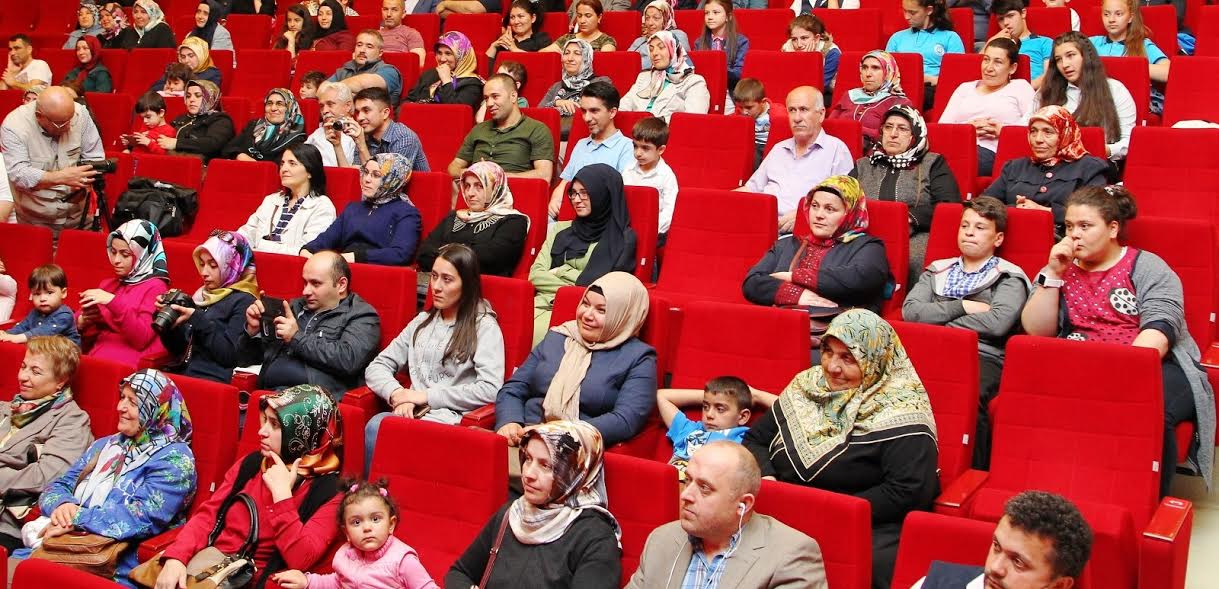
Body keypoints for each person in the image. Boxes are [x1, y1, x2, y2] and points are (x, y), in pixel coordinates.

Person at [1020, 186, 1214, 496]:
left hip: (1152, 364)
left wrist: (1114, 376)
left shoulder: (1148, 266)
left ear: (1112, 229)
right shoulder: (1060, 268)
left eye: (1085, 226)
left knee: (1150, 410)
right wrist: (1053, 273)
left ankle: (1145, 499)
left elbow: (1160, 330)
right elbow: (1037, 330)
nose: (1074, 235)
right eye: (1069, 226)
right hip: (1079, 361)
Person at [744, 310, 937, 589]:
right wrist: (768, 478)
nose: (832, 367)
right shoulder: (807, 386)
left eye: (848, 358)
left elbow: (906, 491)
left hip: (863, 525)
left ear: (875, 360)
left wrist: (830, 513)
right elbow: (756, 440)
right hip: (781, 512)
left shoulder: (904, 410)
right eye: (828, 352)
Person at [151, 385, 344, 589]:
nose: (262, 431)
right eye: (265, 420)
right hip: (209, 570)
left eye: (275, 425)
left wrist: (282, 498)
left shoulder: (331, 492)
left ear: (304, 433)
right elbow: (208, 516)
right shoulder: (252, 464)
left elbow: (301, 558)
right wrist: (177, 557)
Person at [30, 369, 196, 586]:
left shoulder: (175, 460)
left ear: (157, 410)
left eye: (133, 402)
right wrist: (63, 506)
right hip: (65, 545)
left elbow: (143, 518)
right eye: (122, 398)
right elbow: (57, 486)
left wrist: (77, 518)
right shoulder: (106, 445)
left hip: (116, 563)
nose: (120, 407)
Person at [901, 196, 1029, 470]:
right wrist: (963, 306)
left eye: (980, 227)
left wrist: (937, 321)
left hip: (982, 355)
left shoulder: (1009, 276)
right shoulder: (938, 269)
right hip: (930, 349)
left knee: (970, 396)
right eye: (965, 225)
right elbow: (911, 312)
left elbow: (997, 322)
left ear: (998, 238)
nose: (969, 232)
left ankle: (972, 471)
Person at [363, 244, 506, 457]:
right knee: (378, 426)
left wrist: (425, 396)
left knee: (380, 427)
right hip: (410, 413)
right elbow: (377, 366)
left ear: (467, 284)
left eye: (447, 279)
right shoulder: (421, 322)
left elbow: (490, 388)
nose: (436, 287)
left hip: (450, 421)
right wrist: (398, 394)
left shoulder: (484, 327)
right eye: (434, 276)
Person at [625, 441, 828, 588]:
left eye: (704, 488)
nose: (685, 495)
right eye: (687, 480)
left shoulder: (790, 555)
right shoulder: (662, 540)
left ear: (743, 504)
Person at [448, 420, 623, 588]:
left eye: (546, 465)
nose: (529, 474)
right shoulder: (512, 513)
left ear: (575, 473)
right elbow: (459, 573)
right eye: (528, 458)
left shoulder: (595, 538)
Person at [499, 272, 655, 445]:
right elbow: (514, 388)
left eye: (601, 310)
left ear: (623, 317)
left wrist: (556, 433)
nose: (587, 315)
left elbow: (626, 420)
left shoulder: (638, 357)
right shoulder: (558, 336)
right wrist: (510, 421)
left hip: (577, 446)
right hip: (524, 435)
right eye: (585, 304)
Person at [235, 252, 381, 397]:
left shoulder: (362, 315)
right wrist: (252, 332)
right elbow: (246, 360)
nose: (306, 291)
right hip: (270, 392)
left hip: (315, 400)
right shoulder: (296, 307)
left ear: (341, 285)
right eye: (305, 283)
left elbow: (348, 360)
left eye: (315, 284)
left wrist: (296, 337)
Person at [742, 175, 891, 314]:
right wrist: (796, 295)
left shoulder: (868, 246)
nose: (819, 215)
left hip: (836, 326)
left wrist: (795, 276)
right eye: (814, 206)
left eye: (829, 209)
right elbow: (752, 282)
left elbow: (863, 277)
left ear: (850, 213)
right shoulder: (786, 244)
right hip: (784, 320)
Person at [0, 336, 92, 552]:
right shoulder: (6, 408)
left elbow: (47, 477)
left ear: (60, 381)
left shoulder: (72, 420)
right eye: (23, 366)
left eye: (35, 371)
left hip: (8, 523)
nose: (22, 376)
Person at [529, 165, 637, 342]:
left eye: (584, 193)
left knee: (537, 336)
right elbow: (535, 275)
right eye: (573, 193)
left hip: (583, 313)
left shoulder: (622, 239)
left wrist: (561, 271)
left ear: (602, 194)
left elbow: (601, 291)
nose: (576, 200)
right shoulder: (560, 229)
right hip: (540, 302)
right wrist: (576, 284)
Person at [853, 104, 961, 280]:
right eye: (888, 127)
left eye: (902, 129)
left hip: (914, 235)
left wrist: (910, 217)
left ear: (915, 134)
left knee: (911, 260)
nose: (893, 134)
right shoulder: (864, 165)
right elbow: (842, 198)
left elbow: (950, 207)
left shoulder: (932, 163)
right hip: (866, 234)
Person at [270, 481, 438, 589]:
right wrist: (307, 581)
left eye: (375, 519)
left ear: (391, 524)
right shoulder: (345, 555)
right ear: (347, 533)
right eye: (356, 522)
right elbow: (337, 582)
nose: (367, 528)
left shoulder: (403, 560)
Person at [911, 491, 1093, 589]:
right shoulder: (935, 583)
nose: (995, 567)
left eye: (1018, 562)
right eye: (996, 546)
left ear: (1058, 586)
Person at [981, 105, 1109, 233]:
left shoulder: (1089, 167)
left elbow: (1094, 213)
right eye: (1033, 131)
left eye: (1048, 132)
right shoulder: (1015, 167)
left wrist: (1045, 211)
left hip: (1064, 238)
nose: (1038, 139)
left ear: (1065, 134)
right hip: (1011, 234)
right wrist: (1016, 210)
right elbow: (983, 205)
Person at [743, 86, 853, 234]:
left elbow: (844, 203)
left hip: (803, 234)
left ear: (821, 114)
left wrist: (804, 214)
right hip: (759, 225)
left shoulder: (836, 150)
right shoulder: (778, 149)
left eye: (803, 109)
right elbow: (750, 190)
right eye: (792, 110)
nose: (796, 118)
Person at [156, 231, 259, 384]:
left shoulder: (244, 301)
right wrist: (169, 323)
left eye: (213, 265)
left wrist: (196, 318)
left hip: (211, 380)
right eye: (202, 264)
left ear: (234, 265)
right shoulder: (202, 296)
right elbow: (178, 349)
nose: (204, 272)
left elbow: (229, 356)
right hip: (183, 372)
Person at [0, 87, 104, 233]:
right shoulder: (14, 126)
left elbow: (96, 158)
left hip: (79, 216)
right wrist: (61, 177)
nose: (69, 126)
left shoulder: (80, 114)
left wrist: (85, 182)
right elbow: (19, 174)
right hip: (37, 222)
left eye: (70, 119)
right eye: (61, 123)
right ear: (39, 116)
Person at [76, 220, 170, 368]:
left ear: (143, 254)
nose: (116, 261)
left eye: (125, 254)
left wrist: (112, 301)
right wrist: (82, 322)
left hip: (127, 362)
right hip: (96, 354)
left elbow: (141, 338)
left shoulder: (156, 287)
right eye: (113, 252)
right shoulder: (108, 284)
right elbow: (88, 333)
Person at [301, 152, 422, 266]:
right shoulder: (353, 208)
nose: (366, 179)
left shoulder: (406, 213)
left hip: (376, 272)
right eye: (366, 172)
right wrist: (307, 250)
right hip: (342, 268)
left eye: (376, 175)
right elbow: (326, 239)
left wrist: (354, 257)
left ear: (392, 180)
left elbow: (401, 254)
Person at [937, 38, 1035, 176]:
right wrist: (968, 130)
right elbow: (942, 128)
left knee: (946, 166)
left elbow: (1035, 128)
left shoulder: (1020, 87)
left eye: (998, 62)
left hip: (991, 152)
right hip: (956, 147)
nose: (989, 68)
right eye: (986, 60)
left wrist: (1003, 131)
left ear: (1012, 68)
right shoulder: (965, 88)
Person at [1034, 31, 1135, 161]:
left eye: (1070, 55)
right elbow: (1025, 126)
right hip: (1051, 162)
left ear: (1086, 57)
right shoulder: (1047, 90)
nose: (1065, 65)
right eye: (1059, 59)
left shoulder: (1115, 89)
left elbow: (1129, 141)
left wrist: (1101, 149)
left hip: (1094, 162)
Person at [416, 162, 530, 277]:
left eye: (479, 186)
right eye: (467, 186)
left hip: (482, 286)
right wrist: (462, 255)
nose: (470, 193)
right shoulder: (454, 216)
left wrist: (443, 253)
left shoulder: (513, 221)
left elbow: (490, 259)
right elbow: (424, 253)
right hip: (436, 281)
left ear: (496, 188)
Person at [657, 376, 777, 483]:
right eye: (705, 407)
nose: (709, 414)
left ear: (742, 417)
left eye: (720, 409)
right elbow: (662, 396)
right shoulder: (689, 429)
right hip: (670, 485)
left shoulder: (746, 439)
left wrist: (756, 395)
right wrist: (713, 395)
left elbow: (787, 412)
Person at [448, 74, 556, 180]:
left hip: (513, 189)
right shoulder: (478, 129)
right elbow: (453, 168)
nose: (489, 104)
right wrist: (475, 173)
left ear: (513, 96)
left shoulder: (537, 129)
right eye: (486, 98)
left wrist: (496, 175)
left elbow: (544, 175)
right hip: (474, 187)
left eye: (495, 96)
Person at [550, 81, 633, 217]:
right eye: (584, 111)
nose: (586, 118)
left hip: (601, 218)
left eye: (594, 111)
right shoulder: (581, 144)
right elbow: (565, 183)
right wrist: (555, 201)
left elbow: (620, 195)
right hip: (569, 215)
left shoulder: (627, 147)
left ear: (612, 112)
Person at [237, 143, 338, 255]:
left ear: (310, 172)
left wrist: (262, 246)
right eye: (282, 163)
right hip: (255, 263)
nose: (284, 169)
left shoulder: (322, 206)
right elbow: (246, 234)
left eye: (292, 164)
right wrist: (229, 240)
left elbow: (306, 251)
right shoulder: (271, 200)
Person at [1090, 0, 1170, 113]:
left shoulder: (1142, 44)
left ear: (1130, 17)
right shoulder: (1092, 43)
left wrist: (1131, 66)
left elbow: (1168, 72)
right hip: (1096, 100)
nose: (1111, 19)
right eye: (1106, 14)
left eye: (1118, 14)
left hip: (1131, 103)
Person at [827, 50, 915, 152]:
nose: (868, 74)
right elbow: (829, 125)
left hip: (872, 154)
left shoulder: (900, 103)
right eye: (864, 68)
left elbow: (893, 136)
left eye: (875, 68)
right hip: (835, 148)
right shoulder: (849, 95)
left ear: (888, 71)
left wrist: (855, 130)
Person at [885, 0, 965, 110]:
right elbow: (886, 71)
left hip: (932, 88)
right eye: (905, 11)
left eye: (912, 12)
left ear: (929, 10)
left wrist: (925, 78)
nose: (906, 17)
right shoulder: (897, 38)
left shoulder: (950, 37)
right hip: (900, 86)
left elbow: (956, 78)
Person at [619, 31, 710, 121]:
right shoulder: (643, 77)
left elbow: (693, 121)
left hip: (667, 130)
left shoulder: (693, 82)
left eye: (661, 47)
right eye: (651, 49)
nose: (654, 53)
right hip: (634, 128)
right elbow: (622, 109)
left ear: (673, 49)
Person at [539, 39, 614, 138]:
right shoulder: (557, 86)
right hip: (550, 136)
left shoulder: (601, 82)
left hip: (587, 137)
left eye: (577, 53)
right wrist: (556, 103)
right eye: (566, 53)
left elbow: (600, 112)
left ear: (587, 58)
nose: (570, 58)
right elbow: (539, 113)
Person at [622, 116, 678, 238]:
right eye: (635, 146)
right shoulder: (628, 169)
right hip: (626, 227)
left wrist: (649, 230)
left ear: (661, 149)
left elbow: (669, 212)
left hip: (653, 231)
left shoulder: (666, 176)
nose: (638, 153)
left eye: (645, 148)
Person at [0, 265, 80, 345]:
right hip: (42, 348)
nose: (42, 299)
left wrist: (16, 338)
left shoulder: (65, 315)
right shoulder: (35, 312)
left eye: (49, 293)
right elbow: (23, 326)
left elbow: (45, 331)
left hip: (66, 350)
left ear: (63, 293)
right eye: (37, 294)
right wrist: (8, 334)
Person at [405, 32, 485, 112]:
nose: (442, 59)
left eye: (448, 53)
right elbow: (407, 101)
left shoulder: (472, 83)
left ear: (462, 56)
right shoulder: (429, 74)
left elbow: (455, 112)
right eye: (439, 53)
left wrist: (446, 81)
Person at [222, 89, 307, 163]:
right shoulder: (254, 125)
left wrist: (255, 164)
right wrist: (239, 155)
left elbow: (282, 165)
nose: (273, 108)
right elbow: (228, 148)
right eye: (269, 103)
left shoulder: (297, 136)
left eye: (280, 104)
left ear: (290, 108)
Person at [329, 30, 406, 108]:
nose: (362, 50)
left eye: (369, 47)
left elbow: (362, 83)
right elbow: (323, 90)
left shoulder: (389, 71)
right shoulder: (344, 70)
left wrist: (334, 91)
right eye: (359, 45)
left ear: (380, 53)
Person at [162, 80, 236, 161]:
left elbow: (212, 144)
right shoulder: (182, 118)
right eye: (188, 96)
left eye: (198, 95)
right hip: (174, 161)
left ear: (210, 97)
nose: (191, 99)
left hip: (204, 166)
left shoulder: (221, 120)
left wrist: (177, 143)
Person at [990, 0, 1054, 87]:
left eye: (1010, 16)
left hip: (1035, 91)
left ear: (1023, 13)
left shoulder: (1044, 42)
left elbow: (1049, 76)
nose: (1005, 23)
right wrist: (992, 40)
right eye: (1001, 19)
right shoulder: (997, 47)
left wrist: (1023, 89)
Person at [695, 0, 749, 91]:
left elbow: (739, 73)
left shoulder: (741, 42)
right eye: (707, 13)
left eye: (715, 12)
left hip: (729, 89)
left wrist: (717, 69)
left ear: (728, 16)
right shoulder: (699, 42)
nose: (710, 17)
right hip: (704, 88)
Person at [306, 81, 360, 167]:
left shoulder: (359, 134)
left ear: (348, 106)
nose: (324, 111)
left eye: (330, 104)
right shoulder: (316, 134)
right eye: (321, 106)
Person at [486, 0, 553, 69]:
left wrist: (513, 48)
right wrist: (493, 46)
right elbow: (486, 69)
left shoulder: (541, 39)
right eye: (512, 17)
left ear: (533, 18)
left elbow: (541, 64)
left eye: (520, 16)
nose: (516, 22)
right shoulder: (505, 39)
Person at [782, 14, 840, 92]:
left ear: (816, 38)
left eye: (804, 38)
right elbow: (785, 79)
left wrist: (808, 59)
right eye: (794, 39)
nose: (799, 44)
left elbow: (818, 87)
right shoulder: (787, 48)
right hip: (793, 91)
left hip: (824, 94)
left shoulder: (832, 53)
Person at [629, 0, 690, 69]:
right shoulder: (639, 41)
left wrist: (634, 65)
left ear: (666, 18)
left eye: (656, 18)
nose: (650, 23)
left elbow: (668, 60)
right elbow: (626, 61)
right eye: (647, 18)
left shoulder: (677, 35)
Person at [542, 0, 618, 53]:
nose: (582, 21)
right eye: (579, 16)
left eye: (588, 16)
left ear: (599, 17)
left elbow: (603, 60)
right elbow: (542, 53)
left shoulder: (606, 40)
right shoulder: (567, 38)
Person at [151, 38, 222, 92]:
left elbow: (209, 93)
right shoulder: (175, 70)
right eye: (183, 57)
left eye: (191, 56)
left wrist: (180, 88)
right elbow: (154, 88)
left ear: (201, 55)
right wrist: (167, 87)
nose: (186, 61)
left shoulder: (212, 73)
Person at [731, 78, 771, 168]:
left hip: (767, 147)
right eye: (740, 107)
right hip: (749, 147)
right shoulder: (737, 115)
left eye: (749, 107)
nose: (744, 112)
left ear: (763, 102)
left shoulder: (774, 115)